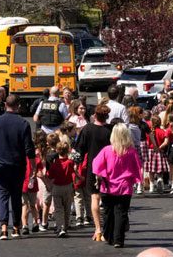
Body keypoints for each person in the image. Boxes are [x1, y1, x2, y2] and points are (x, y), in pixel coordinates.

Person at [0, 94, 37, 240]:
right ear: (18, 105)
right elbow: (29, 149)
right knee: (16, 197)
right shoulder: (23, 124)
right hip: (17, 165)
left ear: (5, 105)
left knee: (2, 196)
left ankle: (3, 229)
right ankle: (16, 228)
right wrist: (33, 166)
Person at [91, 123, 142, 248]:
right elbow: (137, 167)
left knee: (108, 213)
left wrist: (102, 176)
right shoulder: (131, 152)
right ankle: (118, 239)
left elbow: (96, 165)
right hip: (124, 187)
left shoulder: (107, 150)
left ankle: (108, 236)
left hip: (108, 186)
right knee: (121, 213)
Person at [75, 104, 113, 242]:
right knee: (108, 199)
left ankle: (98, 229)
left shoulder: (88, 129)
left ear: (95, 115)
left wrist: (75, 166)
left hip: (93, 168)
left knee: (95, 197)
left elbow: (79, 150)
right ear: (107, 116)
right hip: (109, 168)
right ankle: (109, 228)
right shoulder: (110, 130)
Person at [46, 141, 81, 237]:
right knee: (67, 207)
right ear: (68, 151)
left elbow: (49, 175)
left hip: (57, 187)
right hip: (68, 187)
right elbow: (73, 173)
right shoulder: (70, 163)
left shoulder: (55, 164)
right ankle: (66, 225)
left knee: (58, 208)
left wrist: (48, 184)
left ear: (57, 151)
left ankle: (60, 227)